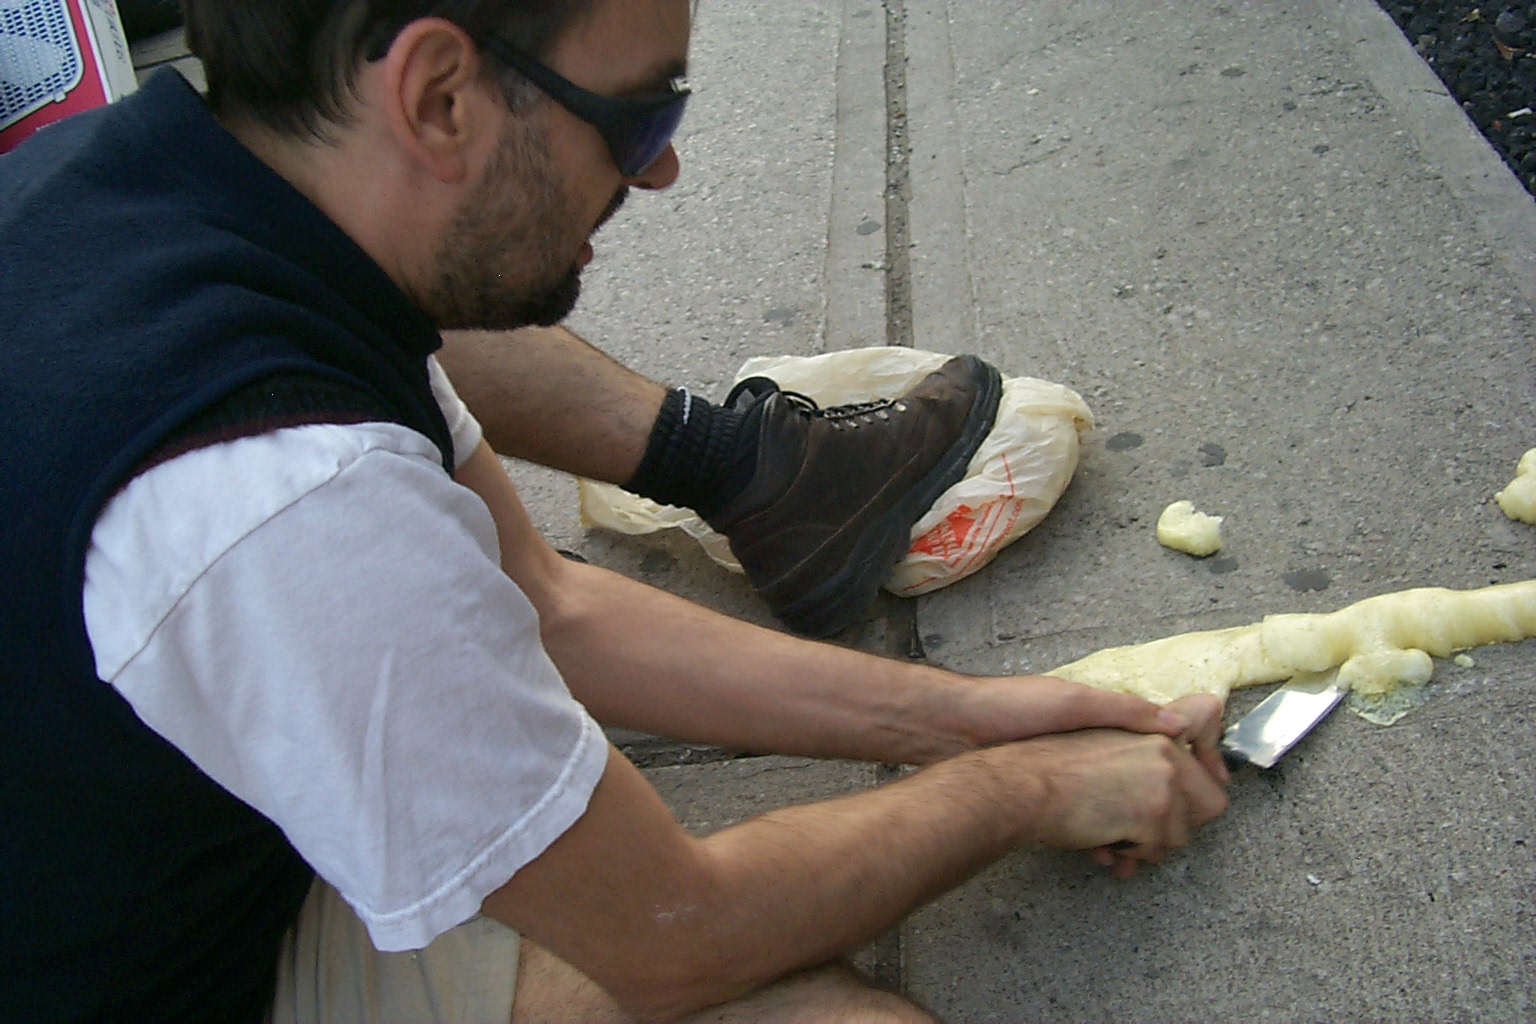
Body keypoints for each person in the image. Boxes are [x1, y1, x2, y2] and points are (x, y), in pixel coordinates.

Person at [0, 1, 1231, 1021]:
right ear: (439, 94)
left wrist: (972, 718)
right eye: (641, 113)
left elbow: (548, 603)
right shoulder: (287, 493)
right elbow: (676, 933)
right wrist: (1020, 791)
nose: (661, 167)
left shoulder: (173, 197)